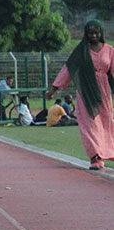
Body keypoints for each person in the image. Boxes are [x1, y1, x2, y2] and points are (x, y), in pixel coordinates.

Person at [46, 20, 114, 170]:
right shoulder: (81, 51)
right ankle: (95, 158)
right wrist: (54, 89)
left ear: (101, 33)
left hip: (103, 92)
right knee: (90, 125)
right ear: (86, 34)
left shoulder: (109, 50)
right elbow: (67, 71)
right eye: (91, 33)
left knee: (104, 124)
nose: (94, 35)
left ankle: (105, 152)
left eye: (97, 32)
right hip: (85, 92)